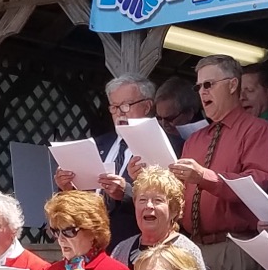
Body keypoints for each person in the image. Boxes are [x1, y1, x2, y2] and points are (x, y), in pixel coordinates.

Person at [173, 56, 268, 270]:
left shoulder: (257, 130)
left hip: (234, 249)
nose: (202, 92)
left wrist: (205, 177)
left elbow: (257, 182)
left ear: (233, 85)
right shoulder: (195, 139)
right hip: (192, 249)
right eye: (198, 87)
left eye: (208, 84)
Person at [54, 76, 183, 245]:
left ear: (147, 106)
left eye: (126, 105)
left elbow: (173, 203)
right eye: (114, 107)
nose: (120, 112)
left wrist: (126, 193)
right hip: (89, 241)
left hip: (137, 243)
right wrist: (67, 188)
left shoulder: (171, 145)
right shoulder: (98, 144)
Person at [106, 166, 209, 270]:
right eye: (142, 200)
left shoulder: (187, 250)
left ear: (173, 211)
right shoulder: (121, 249)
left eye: (157, 200)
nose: (148, 206)